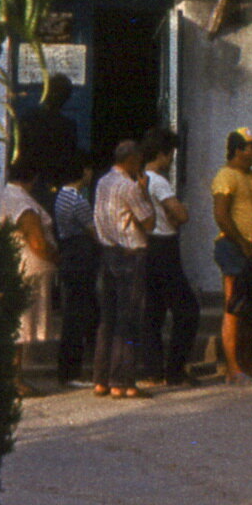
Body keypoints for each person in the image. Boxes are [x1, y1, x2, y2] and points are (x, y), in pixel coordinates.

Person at [211, 128, 252, 386]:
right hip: (232, 247)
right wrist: (240, 242)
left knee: (250, 309)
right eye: (250, 147)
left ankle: (247, 363)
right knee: (234, 308)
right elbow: (221, 215)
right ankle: (232, 367)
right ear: (238, 150)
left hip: (249, 247)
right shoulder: (225, 176)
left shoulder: (250, 176)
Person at [91, 138, 156, 399]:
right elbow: (148, 222)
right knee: (127, 319)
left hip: (107, 250)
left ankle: (101, 379)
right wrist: (144, 191)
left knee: (107, 318)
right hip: (130, 252)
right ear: (131, 160)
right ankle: (122, 380)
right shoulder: (130, 187)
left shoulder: (102, 182)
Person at [140, 128, 200, 387]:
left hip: (146, 245)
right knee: (187, 310)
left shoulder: (138, 178)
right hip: (164, 245)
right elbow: (180, 214)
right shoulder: (159, 181)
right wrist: (179, 212)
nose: (172, 159)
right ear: (163, 154)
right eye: (170, 154)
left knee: (152, 310)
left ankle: (153, 367)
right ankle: (175, 369)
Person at [0, 158, 57, 397]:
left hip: (18, 265)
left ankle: (15, 376)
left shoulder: (7, 196)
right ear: (33, 178)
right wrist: (55, 257)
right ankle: (14, 378)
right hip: (27, 268)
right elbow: (37, 242)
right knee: (21, 325)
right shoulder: (22, 202)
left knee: (19, 324)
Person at [53, 159, 99, 388]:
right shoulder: (78, 201)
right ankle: (73, 370)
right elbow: (93, 231)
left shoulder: (61, 196)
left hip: (69, 254)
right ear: (84, 171)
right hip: (81, 256)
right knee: (78, 315)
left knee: (77, 313)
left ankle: (74, 368)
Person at [15, 72, 80, 193]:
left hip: (29, 182)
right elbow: (68, 159)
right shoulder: (67, 126)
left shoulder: (28, 119)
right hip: (50, 185)